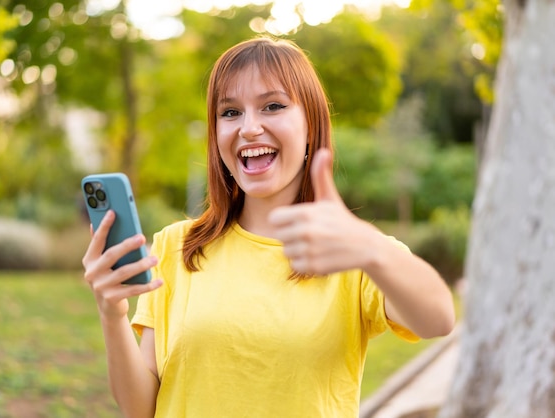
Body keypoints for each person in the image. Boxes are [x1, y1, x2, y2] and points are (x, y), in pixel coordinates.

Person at [82, 36, 455, 418]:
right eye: (230, 113)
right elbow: (141, 408)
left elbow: (438, 318)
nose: (249, 128)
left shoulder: (352, 252)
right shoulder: (176, 247)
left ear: (311, 125)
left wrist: (370, 248)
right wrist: (112, 315)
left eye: (272, 106)